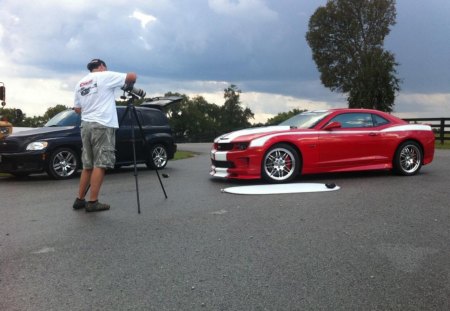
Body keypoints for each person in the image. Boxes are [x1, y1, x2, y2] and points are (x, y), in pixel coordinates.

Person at [72, 59, 137, 212]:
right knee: (100, 164)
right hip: (102, 124)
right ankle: (93, 202)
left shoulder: (80, 83)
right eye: (105, 67)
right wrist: (129, 85)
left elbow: (77, 109)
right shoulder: (104, 75)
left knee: (87, 165)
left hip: (86, 125)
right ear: (101, 66)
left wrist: (91, 107)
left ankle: (80, 199)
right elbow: (132, 76)